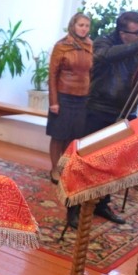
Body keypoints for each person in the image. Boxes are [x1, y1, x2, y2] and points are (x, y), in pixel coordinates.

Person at [68, 10, 138, 229]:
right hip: (98, 110)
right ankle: (74, 207)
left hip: (128, 114)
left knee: (113, 163)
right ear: (123, 33)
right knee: (86, 161)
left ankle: (102, 203)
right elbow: (104, 56)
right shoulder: (105, 42)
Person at [47, 13, 92, 188]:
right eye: (81, 25)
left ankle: (65, 168)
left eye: (87, 25)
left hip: (82, 98)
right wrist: (53, 101)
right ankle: (54, 169)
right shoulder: (61, 46)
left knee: (73, 136)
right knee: (59, 135)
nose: (84, 29)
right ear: (73, 25)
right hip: (63, 96)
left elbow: (91, 73)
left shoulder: (91, 45)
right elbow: (52, 75)